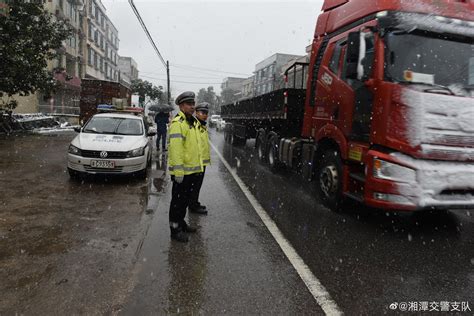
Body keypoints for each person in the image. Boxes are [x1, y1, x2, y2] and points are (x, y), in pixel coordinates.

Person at [167, 91, 203, 242]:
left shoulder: (192, 122)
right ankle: (174, 230)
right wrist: (179, 172)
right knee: (177, 203)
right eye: (189, 104)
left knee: (184, 201)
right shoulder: (178, 124)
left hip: (191, 172)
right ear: (181, 106)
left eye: (193, 104)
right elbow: (176, 150)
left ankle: (181, 223)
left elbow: (194, 148)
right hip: (182, 173)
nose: (192, 107)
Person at [188, 102, 210, 215]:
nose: (205, 115)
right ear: (196, 113)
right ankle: (192, 206)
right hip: (195, 162)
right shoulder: (194, 125)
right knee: (194, 185)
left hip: (201, 162)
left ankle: (194, 202)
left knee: (197, 185)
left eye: (206, 113)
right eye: (202, 112)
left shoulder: (202, 125)